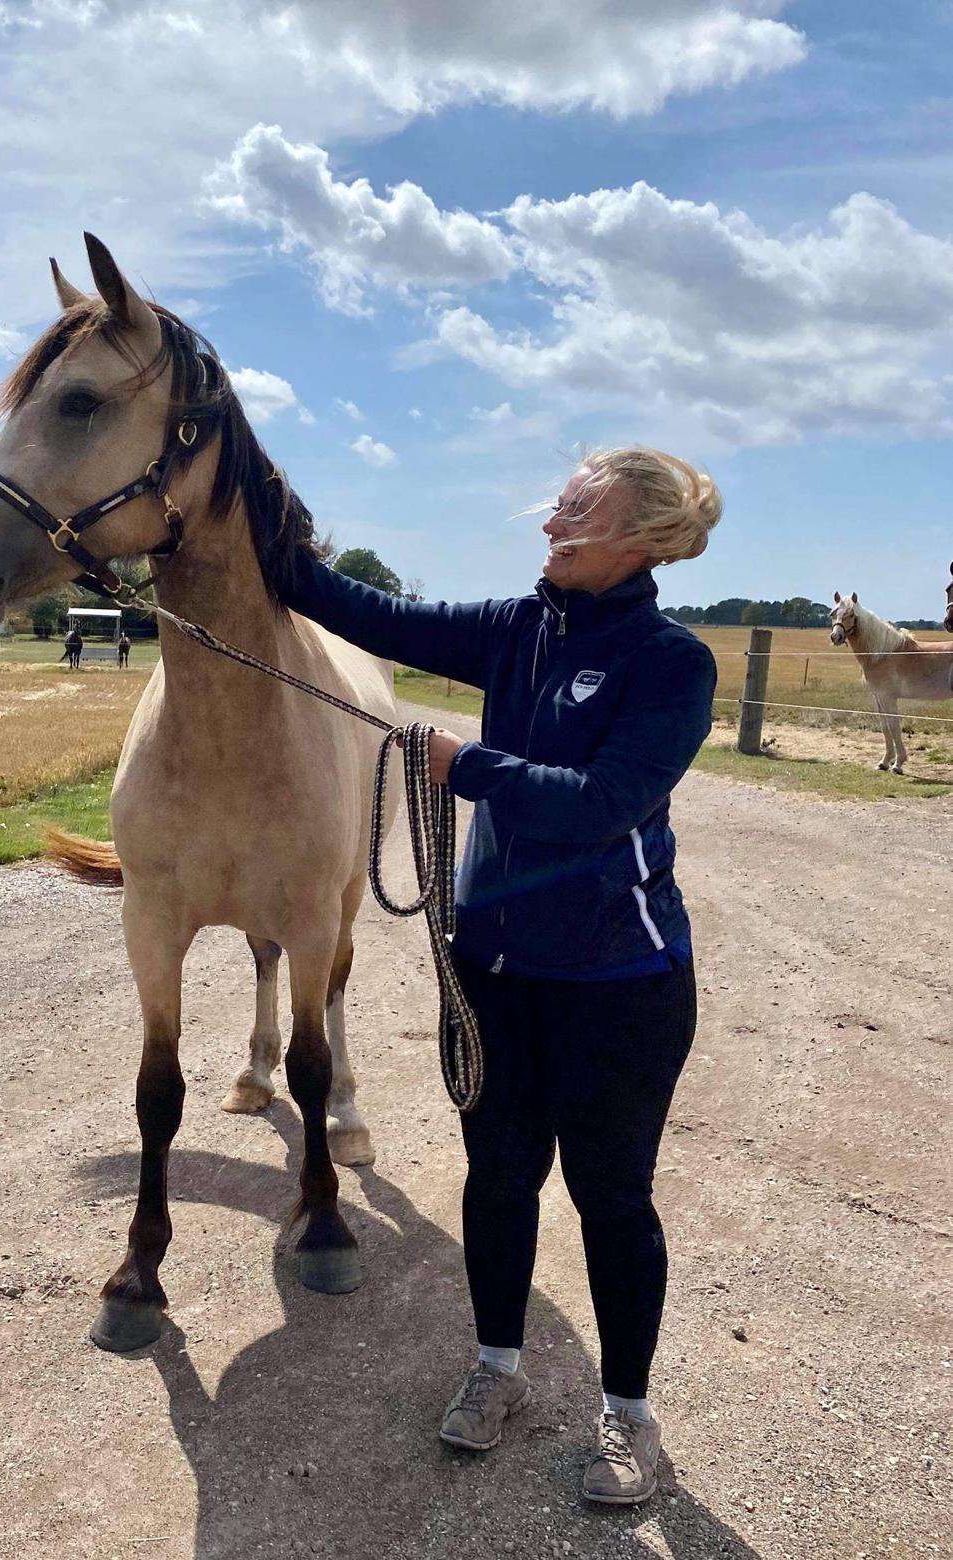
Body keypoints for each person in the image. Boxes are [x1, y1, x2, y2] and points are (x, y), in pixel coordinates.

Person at [281, 447, 721, 1506]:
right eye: (554, 506)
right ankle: (498, 1371)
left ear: (640, 537)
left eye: (574, 512)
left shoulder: (672, 663)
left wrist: (462, 764)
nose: (548, 527)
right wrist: (254, 519)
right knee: (498, 1178)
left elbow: (599, 800)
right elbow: (357, 607)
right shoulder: (515, 630)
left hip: (622, 980)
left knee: (613, 1201)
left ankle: (629, 1419)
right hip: (495, 972)